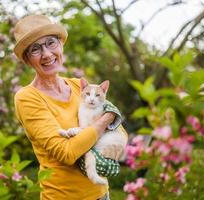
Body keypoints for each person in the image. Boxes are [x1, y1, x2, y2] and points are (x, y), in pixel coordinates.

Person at [13, 14, 126, 200]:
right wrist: (105, 120)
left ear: (61, 45)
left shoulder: (78, 86)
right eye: (35, 49)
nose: (47, 54)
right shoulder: (27, 98)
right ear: (26, 59)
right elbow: (67, 153)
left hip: (101, 194)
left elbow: (120, 136)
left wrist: (90, 143)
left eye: (51, 43)